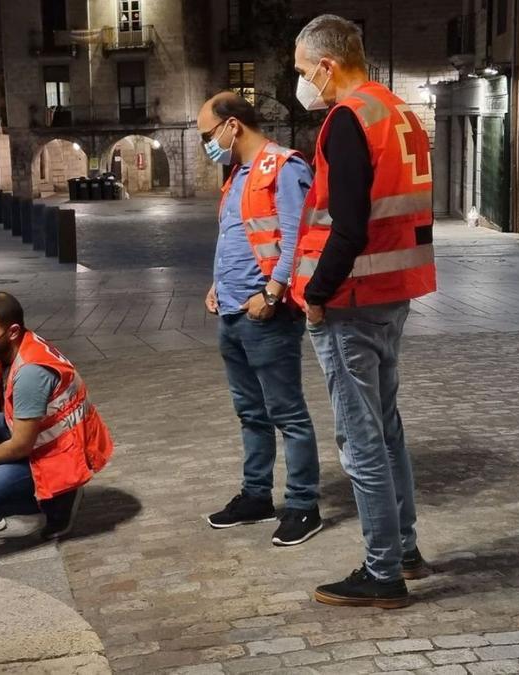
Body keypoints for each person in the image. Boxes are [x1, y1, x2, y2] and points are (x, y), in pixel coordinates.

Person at [289, 14, 438, 608]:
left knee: (361, 440)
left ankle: (383, 573)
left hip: (350, 300)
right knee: (387, 426)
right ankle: (403, 548)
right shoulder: (397, 111)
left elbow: (347, 228)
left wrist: (317, 297)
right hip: (391, 291)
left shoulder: (348, 119)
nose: (302, 83)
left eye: (303, 71)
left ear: (327, 65)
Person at [196, 91, 323, 546]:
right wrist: (217, 284)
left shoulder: (284, 167)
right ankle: (256, 496)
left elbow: (297, 238)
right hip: (231, 311)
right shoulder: (237, 175)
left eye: (208, 134)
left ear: (233, 125)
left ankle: (304, 505)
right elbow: (237, 236)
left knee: (287, 413)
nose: (207, 144)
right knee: (250, 412)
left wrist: (273, 292)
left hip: (265, 313)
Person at [0, 292, 113, 539]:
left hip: (58, 453)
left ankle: (57, 501)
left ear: (11, 331)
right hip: (38, 438)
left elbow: (21, 446)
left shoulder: (30, 372)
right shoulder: (12, 347)